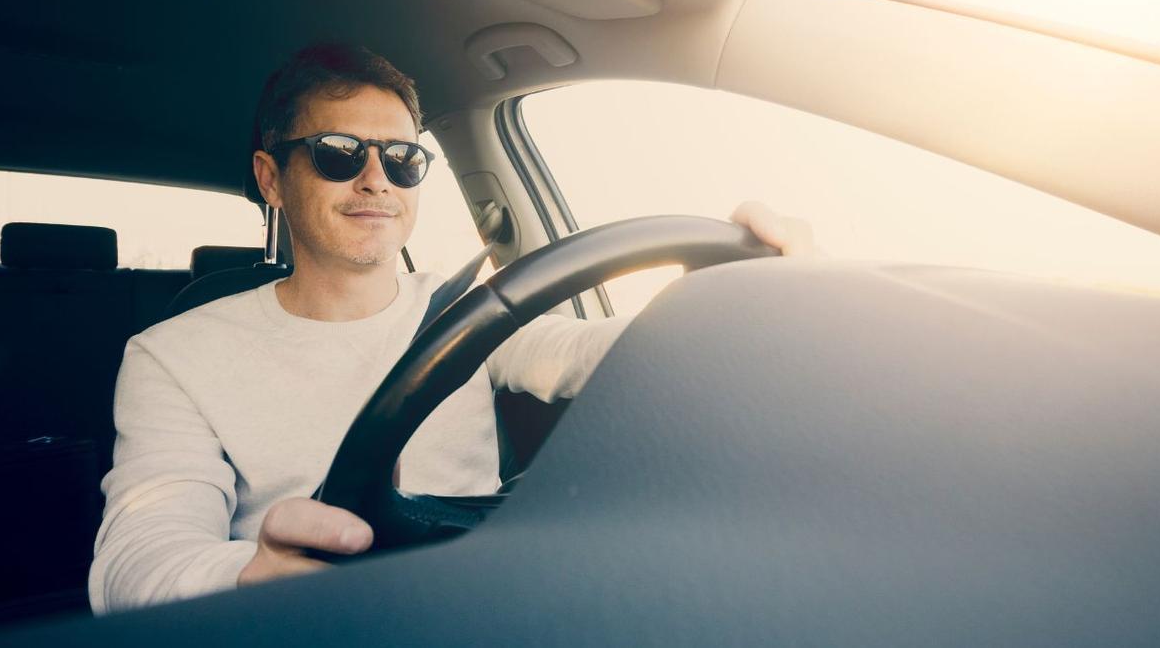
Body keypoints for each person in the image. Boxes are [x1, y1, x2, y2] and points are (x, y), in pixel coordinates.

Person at [88, 44, 813, 613]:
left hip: (482, 603)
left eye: (402, 160)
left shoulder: (469, 308)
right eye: (340, 153)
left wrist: (724, 303)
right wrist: (249, 574)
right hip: (298, 622)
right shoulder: (172, 353)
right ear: (272, 178)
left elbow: (586, 355)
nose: (376, 179)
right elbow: (136, 557)